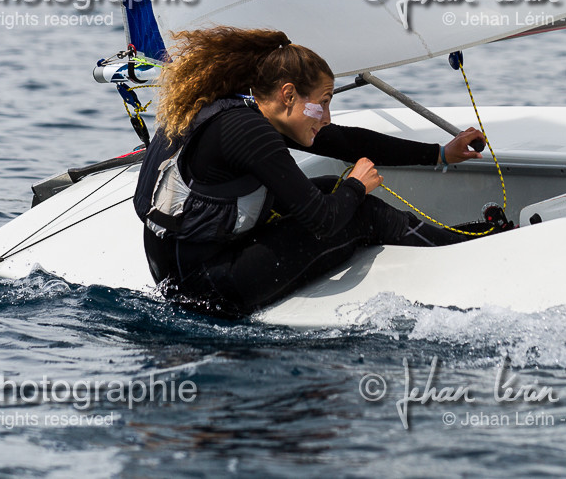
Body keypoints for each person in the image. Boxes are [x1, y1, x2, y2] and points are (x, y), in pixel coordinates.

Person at [133, 26, 508, 318]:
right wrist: (358, 188)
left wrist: (440, 153)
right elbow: (321, 222)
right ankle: (466, 249)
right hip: (209, 291)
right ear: (288, 94)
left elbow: (345, 142)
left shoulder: (233, 110)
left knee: (329, 185)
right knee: (360, 212)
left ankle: (455, 239)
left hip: (179, 276)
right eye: (324, 103)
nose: (327, 117)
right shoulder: (250, 132)